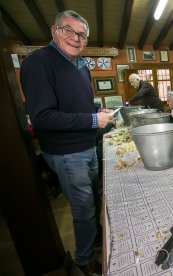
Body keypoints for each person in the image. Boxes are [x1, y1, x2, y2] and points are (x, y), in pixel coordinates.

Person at [20, 10, 113, 275]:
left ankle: (93, 239)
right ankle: (84, 260)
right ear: (54, 30)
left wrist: (96, 111)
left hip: (87, 147)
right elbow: (43, 117)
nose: (75, 38)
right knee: (83, 210)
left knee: (94, 199)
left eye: (82, 34)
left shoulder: (81, 64)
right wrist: (94, 120)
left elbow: (78, 105)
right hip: (67, 153)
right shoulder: (39, 62)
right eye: (68, 30)